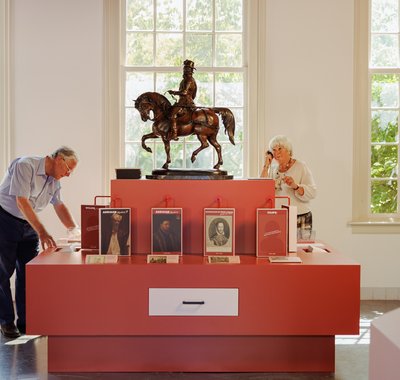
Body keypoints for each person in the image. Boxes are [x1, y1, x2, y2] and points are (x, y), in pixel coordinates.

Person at [0, 146, 79, 338]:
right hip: (5, 219)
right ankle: (6, 322)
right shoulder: (25, 165)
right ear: (59, 159)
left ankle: (27, 322)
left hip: (30, 225)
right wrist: (43, 232)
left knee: (28, 274)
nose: (68, 175)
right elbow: (22, 202)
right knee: (3, 272)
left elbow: (59, 205)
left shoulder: (54, 181)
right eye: (68, 169)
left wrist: (75, 230)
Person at [260, 135, 317, 232]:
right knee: (279, 246)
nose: (276, 152)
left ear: (288, 150)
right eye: (273, 150)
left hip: (300, 217)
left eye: (280, 149)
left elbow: (312, 192)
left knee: (299, 247)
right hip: (279, 217)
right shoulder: (273, 169)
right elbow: (261, 187)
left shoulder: (300, 166)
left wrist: (295, 186)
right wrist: (266, 165)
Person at [167, 59, 198, 140]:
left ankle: (174, 134)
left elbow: (184, 92)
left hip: (185, 102)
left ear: (191, 70)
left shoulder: (189, 80)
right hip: (182, 101)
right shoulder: (184, 80)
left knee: (172, 115)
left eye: (187, 68)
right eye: (185, 68)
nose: (185, 70)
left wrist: (174, 92)